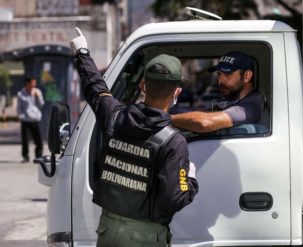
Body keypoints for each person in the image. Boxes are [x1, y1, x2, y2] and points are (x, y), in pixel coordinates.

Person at [70, 28, 198, 247]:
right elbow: (173, 199)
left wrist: (82, 52)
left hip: (108, 229)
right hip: (146, 237)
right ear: (176, 93)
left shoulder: (114, 116)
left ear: (143, 86)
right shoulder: (173, 142)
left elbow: (96, 88)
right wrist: (191, 181)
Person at [171, 51, 265, 133]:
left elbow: (205, 122)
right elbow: (204, 114)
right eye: (219, 74)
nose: (220, 80)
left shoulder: (251, 106)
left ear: (247, 76)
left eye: (228, 74)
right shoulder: (232, 100)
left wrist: (166, 119)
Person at [16, 77, 44, 162]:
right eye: (32, 84)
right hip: (25, 120)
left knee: (38, 139)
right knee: (25, 140)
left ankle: (38, 155)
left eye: (34, 84)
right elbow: (19, 107)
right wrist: (21, 117)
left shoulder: (37, 92)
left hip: (35, 119)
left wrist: (37, 97)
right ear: (27, 84)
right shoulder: (21, 94)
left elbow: (41, 105)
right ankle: (25, 156)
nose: (33, 86)